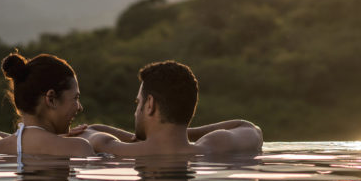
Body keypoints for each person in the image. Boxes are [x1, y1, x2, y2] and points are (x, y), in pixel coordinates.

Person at [81, 60, 262, 156]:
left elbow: (91, 130)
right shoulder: (213, 147)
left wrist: (137, 137)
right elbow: (249, 128)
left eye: (138, 104)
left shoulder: (117, 150)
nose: (136, 112)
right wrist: (180, 129)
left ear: (150, 104)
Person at [0, 52, 94, 158]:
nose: (79, 107)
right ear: (51, 99)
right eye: (75, 98)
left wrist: (23, 137)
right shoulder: (78, 148)